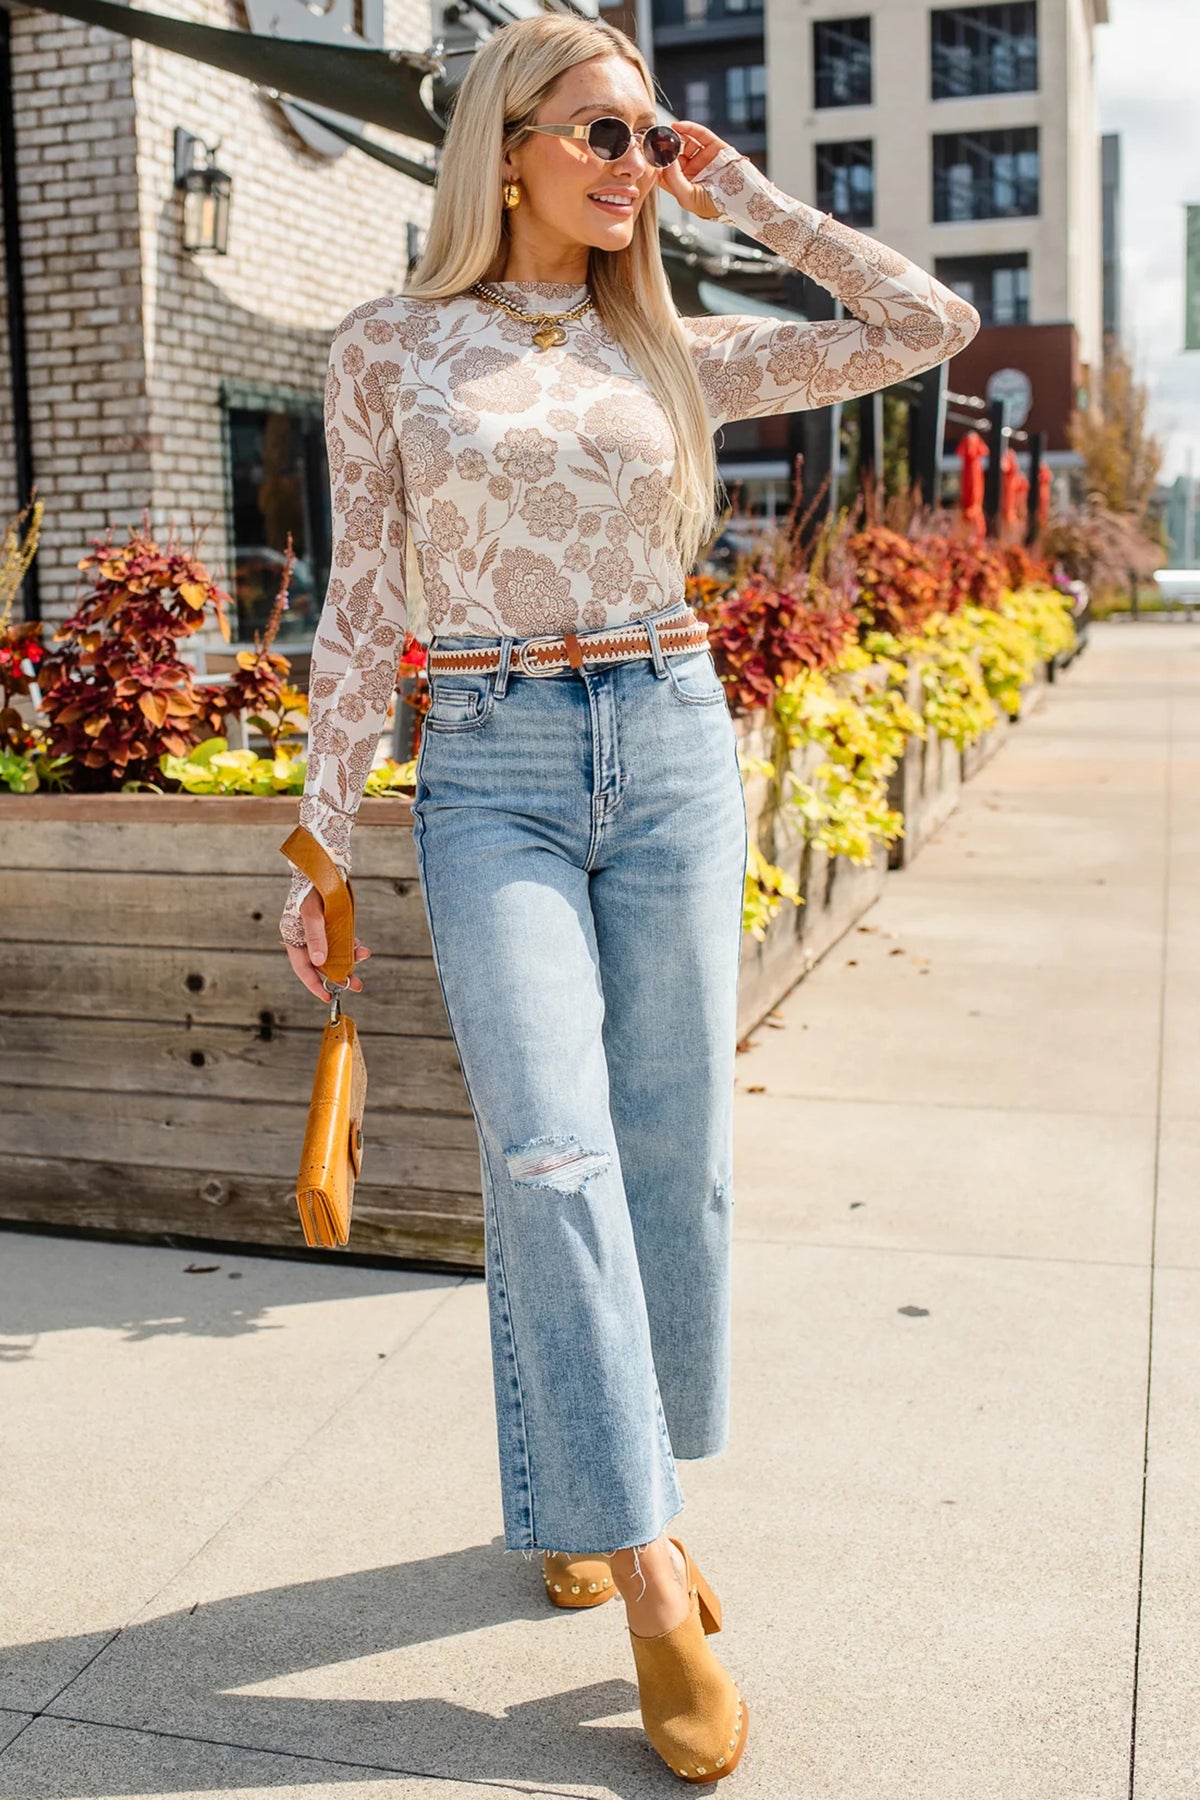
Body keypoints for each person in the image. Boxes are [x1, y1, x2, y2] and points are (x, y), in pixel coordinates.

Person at [280, 13, 979, 1781]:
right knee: (550, 1151)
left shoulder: (668, 346)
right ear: (502, 145)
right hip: (495, 762)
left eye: (648, 134)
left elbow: (927, 327)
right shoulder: (388, 348)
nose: (629, 161)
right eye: (600, 129)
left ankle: (582, 1494)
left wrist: (738, 192)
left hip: (670, 739)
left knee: (667, 1152)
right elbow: (363, 598)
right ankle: (655, 1564)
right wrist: (317, 836)